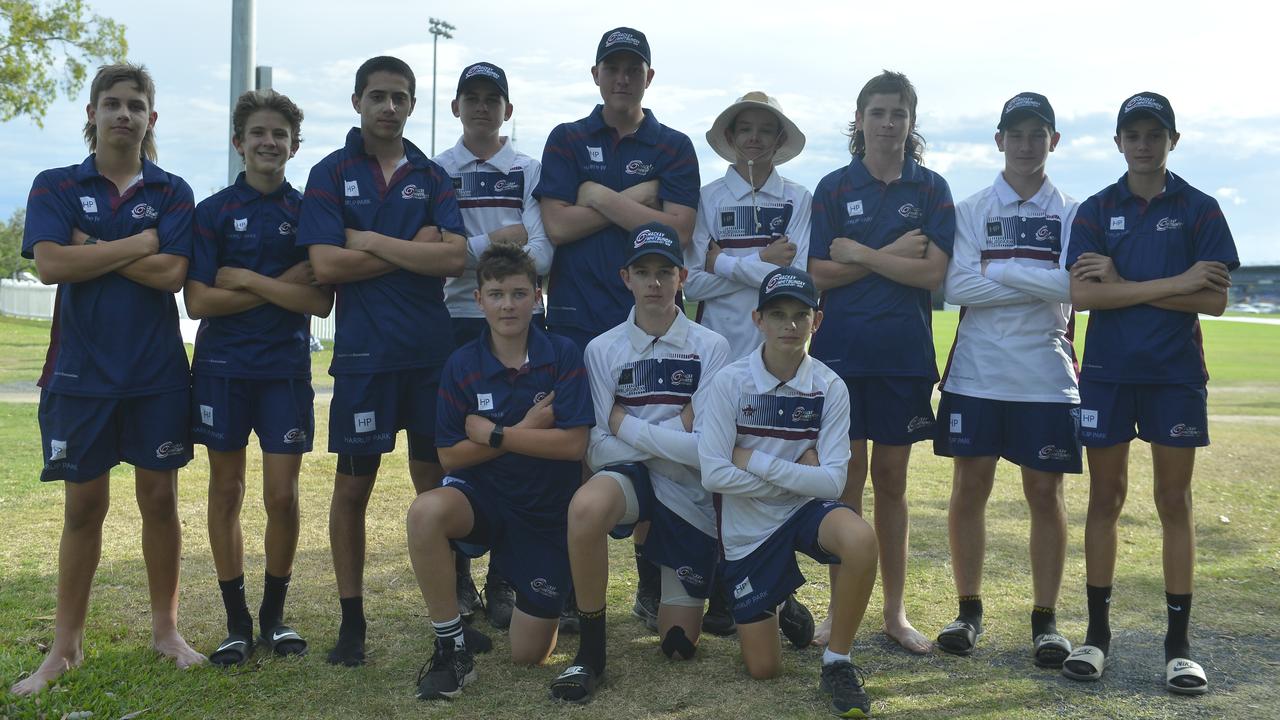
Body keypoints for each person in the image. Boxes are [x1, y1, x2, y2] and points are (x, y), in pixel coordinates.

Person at [12, 63, 204, 696]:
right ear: (92, 113)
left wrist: (90, 250)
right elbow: (48, 264)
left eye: (136, 105)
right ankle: (64, 648)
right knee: (83, 509)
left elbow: (173, 275)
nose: (124, 114)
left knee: (160, 502)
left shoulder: (174, 191)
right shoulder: (56, 182)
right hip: (78, 375)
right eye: (113, 103)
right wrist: (137, 244)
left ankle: (166, 631)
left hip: (155, 375)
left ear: (152, 118)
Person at [1061, 92, 1237, 695]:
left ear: (1172, 140)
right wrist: (1176, 281)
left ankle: (1178, 646)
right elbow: (1084, 298)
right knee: (1104, 499)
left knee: (1174, 502)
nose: (1143, 143)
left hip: (1174, 376)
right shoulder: (1095, 208)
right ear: (1117, 142)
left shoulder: (1201, 209)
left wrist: (1128, 283)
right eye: (1132, 134)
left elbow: (1213, 300)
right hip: (1107, 375)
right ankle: (1097, 635)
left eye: (1154, 134)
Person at [296, 55, 468, 667]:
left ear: (413, 105)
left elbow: (454, 259)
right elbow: (326, 267)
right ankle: (352, 622)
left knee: (435, 487)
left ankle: (451, 616)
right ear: (357, 102)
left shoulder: (431, 174)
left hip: (429, 358)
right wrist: (407, 248)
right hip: (365, 360)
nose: (388, 107)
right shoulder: (329, 172)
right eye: (377, 96)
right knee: (352, 488)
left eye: (399, 97)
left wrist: (366, 239)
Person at [536, 26, 700, 627]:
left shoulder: (675, 145)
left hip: (654, 319)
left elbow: (678, 232)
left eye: (635, 68)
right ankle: (584, 590)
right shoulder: (568, 138)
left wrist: (601, 196)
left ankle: (652, 577)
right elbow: (556, 227)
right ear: (597, 75)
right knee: (586, 448)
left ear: (649, 77)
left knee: (656, 442)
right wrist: (641, 200)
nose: (624, 77)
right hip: (580, 319)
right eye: (614, 67)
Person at [547, 222, 730, 703]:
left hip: (687, 489)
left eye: (664, 272)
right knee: (585, 507)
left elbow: (705, 451)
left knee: (679, 646)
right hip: (628, 481)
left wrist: (626, 425)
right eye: (643, 272)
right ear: (625, 277)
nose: (654, 283)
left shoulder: (711, 347)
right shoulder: (602, 348)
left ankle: (685, 585)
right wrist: (678, 426)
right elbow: (596, 449)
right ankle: (591, 651)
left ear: (682, 278)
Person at [184, 89, 334, 665]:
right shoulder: (213, 211)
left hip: (284, 373)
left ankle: (275, 617)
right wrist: (282, 287)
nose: (269, 142)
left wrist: (243, 279)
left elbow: (318, 303)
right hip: (222, 372)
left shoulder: (309, 211)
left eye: (279, 135)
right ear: (238, 143)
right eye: (258, 134)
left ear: (294, 146)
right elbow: (198, 301)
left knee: (281, 496)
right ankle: (237, 622)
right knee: (226, 491)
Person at [807, 70, 955, 653]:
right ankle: (838, 611)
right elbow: (819, 274)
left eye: (899, 113)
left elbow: (933, 274)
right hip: (840, 356)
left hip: (903, 357)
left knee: (891, 483)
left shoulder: (931, 189)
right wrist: (892, 253)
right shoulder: (834, 187)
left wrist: (865, 254)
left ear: (911, 122)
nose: (888, 123)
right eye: (878, 112)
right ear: (860, 119)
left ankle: (894, 614)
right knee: (846, 484)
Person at [932, 93, 1079, 668]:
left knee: (1045, 494)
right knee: (970, 491)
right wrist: (1036, 277)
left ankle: (1046, 621)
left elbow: (1074, 288)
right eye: (1014, 134)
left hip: (1046, 374)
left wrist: (997, 268)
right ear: (999, 141)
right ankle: (968, 610)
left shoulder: (1073, 211)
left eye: (1036, 133)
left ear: (1053, 141)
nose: (1025, 144)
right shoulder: (970, 209)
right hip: (977, 372)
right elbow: (956, 289)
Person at [408, 243, 593, 700]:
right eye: (496, 294)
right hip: (482, 499)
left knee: (527, 655)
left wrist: (497, 434)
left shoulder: (563, 354)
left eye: (517, 293)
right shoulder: (462, 363)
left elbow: (572, 446)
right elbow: (450, 456)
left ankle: (527, 596)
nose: (507, 304)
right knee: (425, 512)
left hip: (545, 513)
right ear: (479, 300)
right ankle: (451, 646)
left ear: (537, 296)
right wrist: (528, 430)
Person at [698, 267, 878, 718]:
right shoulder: (730, 383)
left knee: (859, 538)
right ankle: (781, 599)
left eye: (801, 315)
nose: (790, 325)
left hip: (804, 511)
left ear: (817, 320)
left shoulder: (830, 387)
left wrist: (752, 459)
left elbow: (833, 482)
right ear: (758, 319)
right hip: (748, 529)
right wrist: (796, 471)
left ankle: (838, 661)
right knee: (763, 669)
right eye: (777, 315)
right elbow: (713, 475)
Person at [686, 90, 816, 638]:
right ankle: (724, 581)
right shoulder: (708, 197)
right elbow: (690, 277)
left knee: (776, 464)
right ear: (732, 138)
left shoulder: (800, 198)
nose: (756, 138)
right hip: (720, 350)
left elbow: (800, 278)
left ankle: (778, 587)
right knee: (719, 466)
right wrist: (760, 261)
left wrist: (726, 260)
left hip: (782, 353)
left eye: (767, 129)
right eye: (746, 129)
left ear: (780, 140)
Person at [434, 61, 554, 628]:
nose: (482, 106)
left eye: (493, 98)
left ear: (508, 109)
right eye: (471, 97)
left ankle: (506, 575)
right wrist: (499, 240)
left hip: (520, 320)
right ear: (456, 107)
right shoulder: (434, 170)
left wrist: (470, 249)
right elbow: (442, 257)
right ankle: (459, 570)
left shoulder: (530, 168)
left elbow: (544, 254)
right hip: (455, 319)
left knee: (520, 448)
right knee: (463, 449)